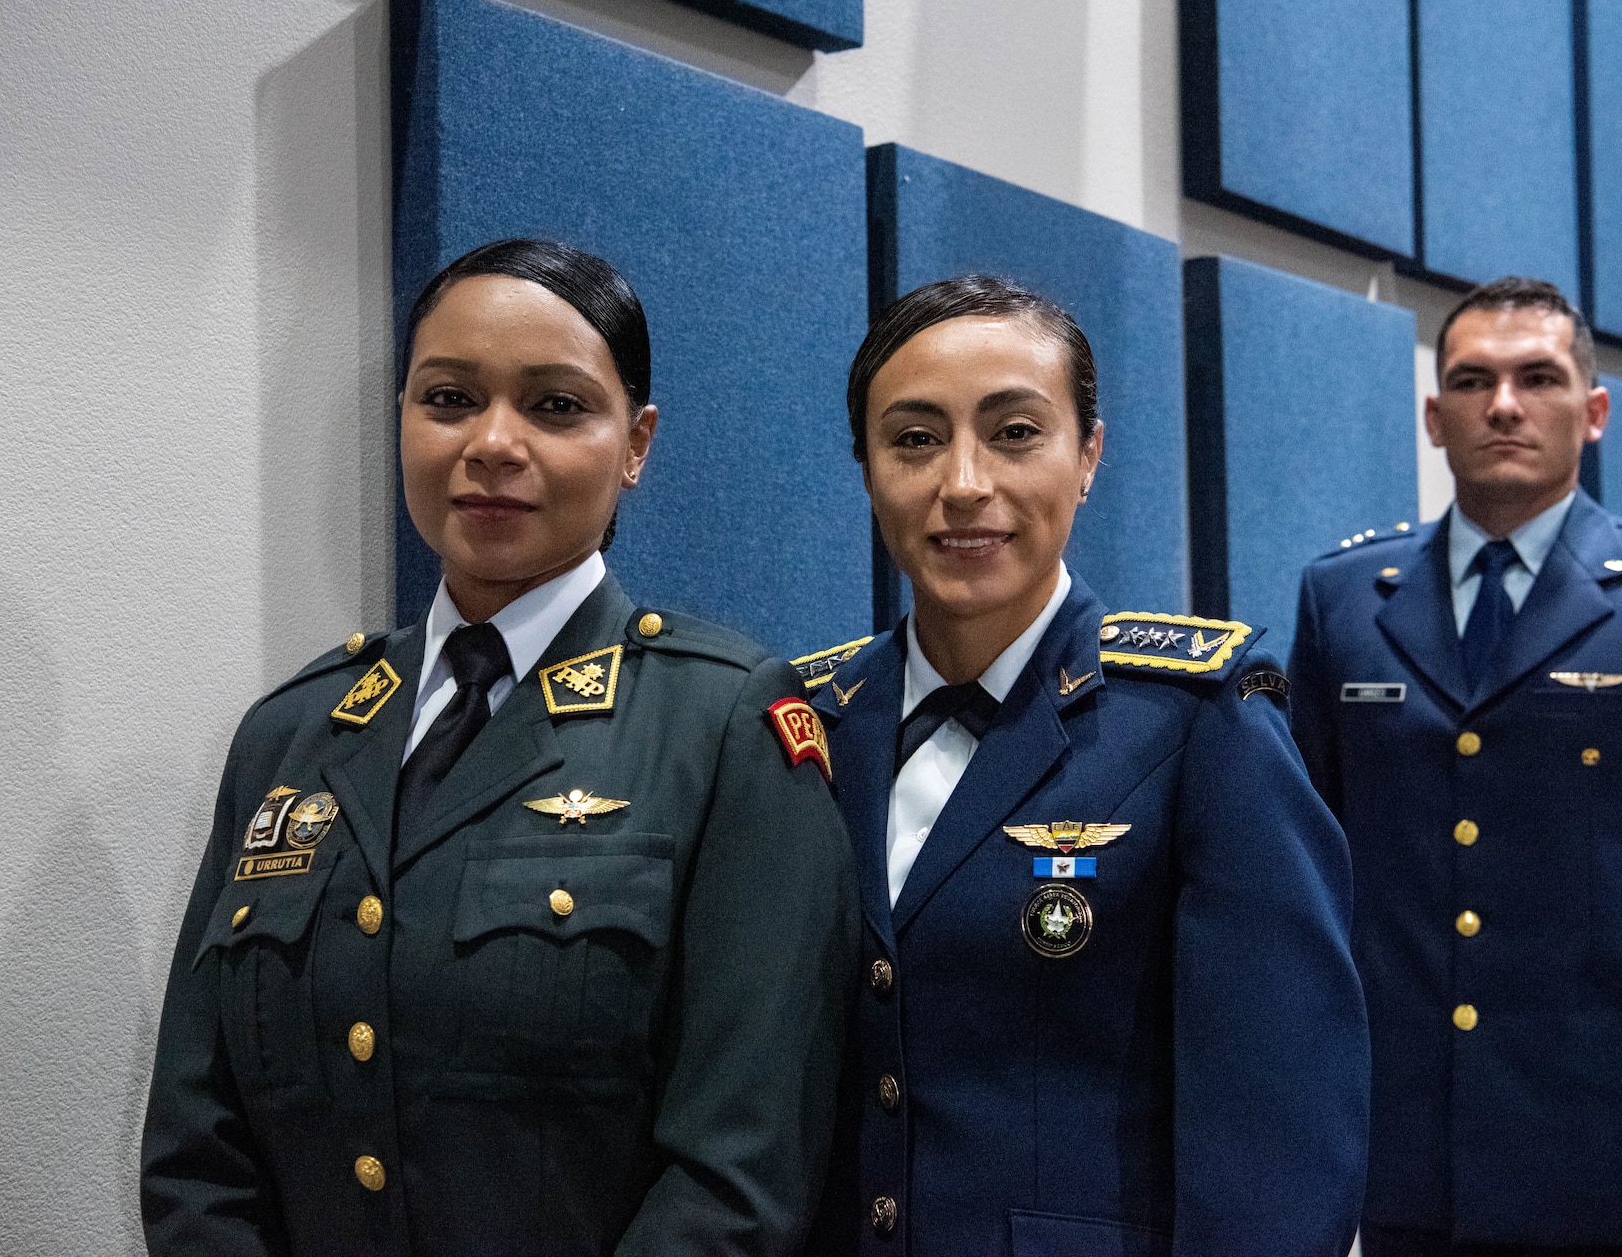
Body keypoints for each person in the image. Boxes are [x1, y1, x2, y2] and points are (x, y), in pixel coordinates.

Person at [141, 238, 859, 1255]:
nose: (491, 443)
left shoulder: (722, 723)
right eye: (447, 399)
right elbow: (193, 1144)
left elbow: (740, 1170)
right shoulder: (289, 733)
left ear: (636, 442)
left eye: (554, 407)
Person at [795, 275, 1369, 1256]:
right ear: (865, 467)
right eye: (914, 439)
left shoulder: (1193, 724)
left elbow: (1279, 1120)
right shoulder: (808, 726)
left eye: (1014, 433)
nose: (963, 482)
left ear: (1087, 454)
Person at [1288, 277, 1622, 1255]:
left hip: (1618, 1148)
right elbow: (1304, 878)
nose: (1502, 404)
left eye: (1537, 377)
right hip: (1402, 1149)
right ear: (1433, 417)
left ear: (1593, 411)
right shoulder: (1343, 598)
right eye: (1471, 381)